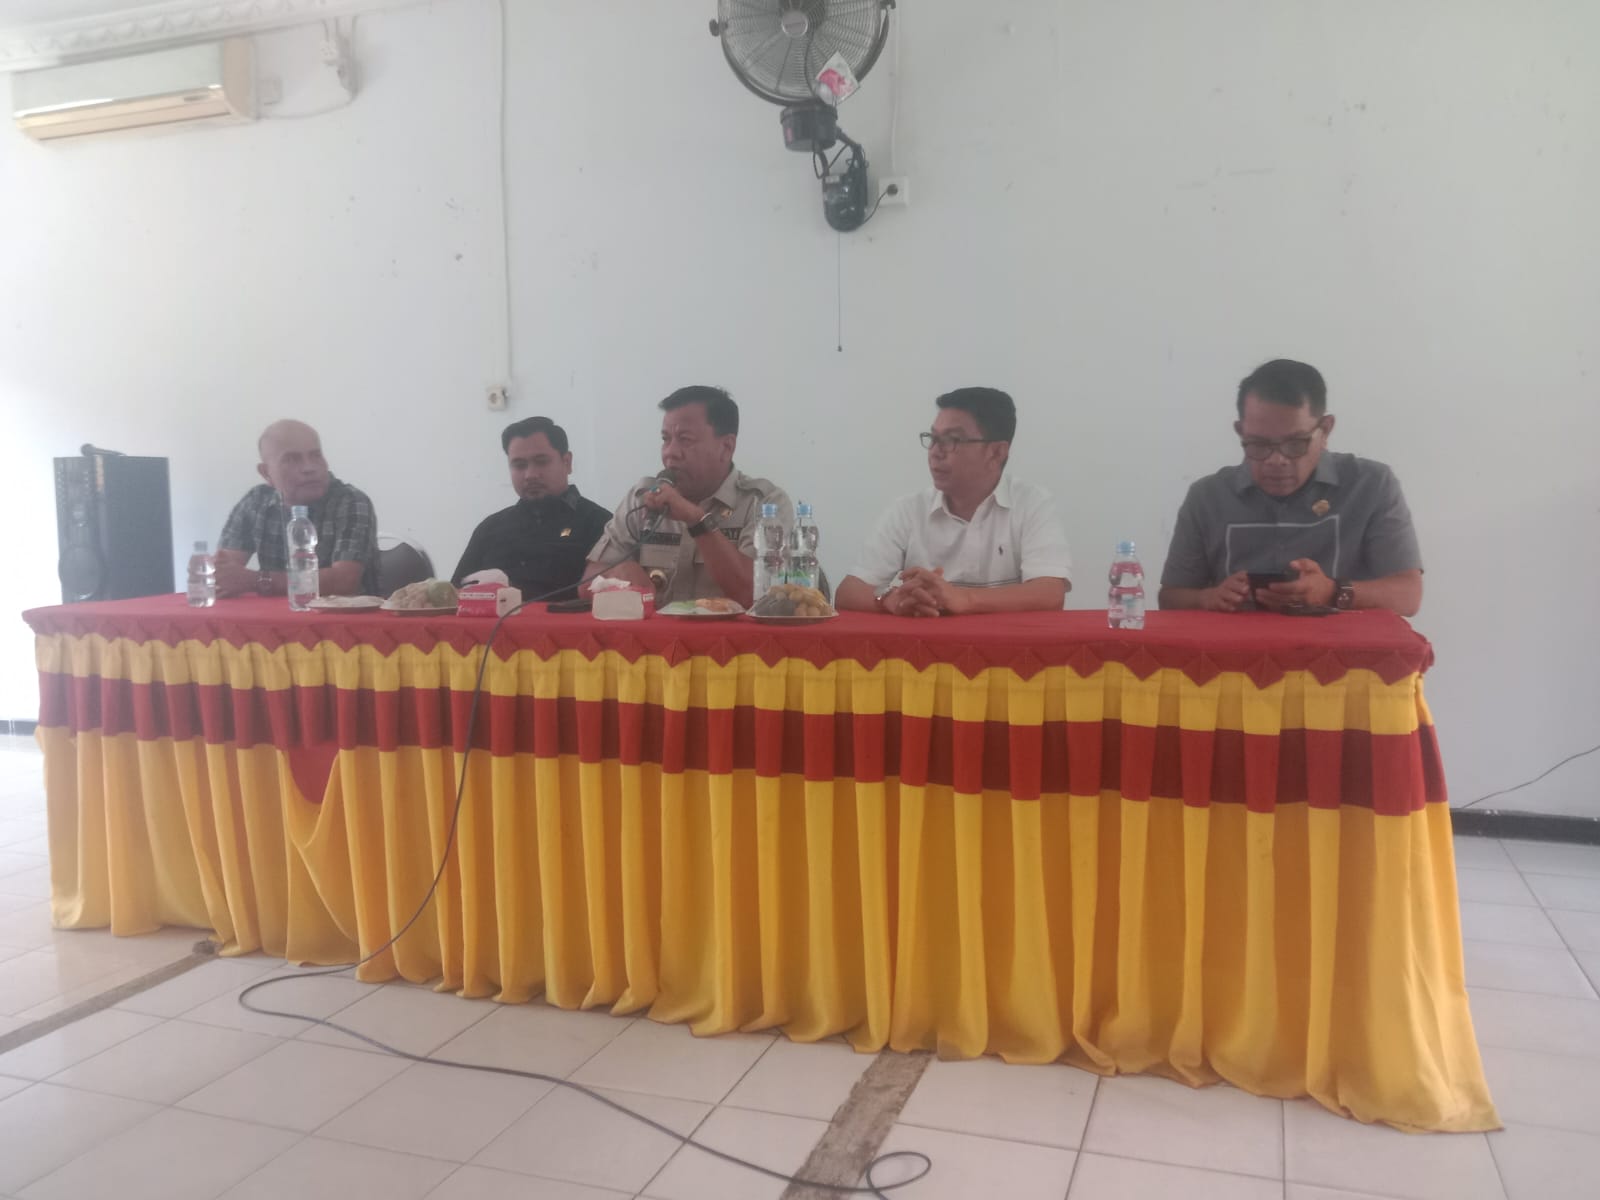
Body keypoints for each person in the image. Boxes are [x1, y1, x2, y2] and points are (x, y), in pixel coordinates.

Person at [1158, 359, 1423, 616]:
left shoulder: (1370, 485)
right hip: (1234, 646)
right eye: (1258, 445)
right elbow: (1170, 597)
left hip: (1341, 646)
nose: (1277, 460)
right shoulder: (1208, 497)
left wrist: (1332, 591)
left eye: (1295, 444)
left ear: (1325, 430)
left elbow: (1408, 595)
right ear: (1240, 431)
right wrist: (1207, 598)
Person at [835, 387, 1072, 617]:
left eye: (952, 440)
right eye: (933, 438)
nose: (935, 452)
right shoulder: (908, 510)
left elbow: (1050, 594)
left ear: (997, 452)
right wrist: (890, 600)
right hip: (925, 644)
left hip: (1005, 644)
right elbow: (848, 592)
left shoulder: (1031, 503)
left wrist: (963, 599)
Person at [582, 386, 792, 608]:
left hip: (728, 631)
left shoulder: (764, 503)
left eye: (685, 440)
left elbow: (756, 595)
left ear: (726, 447)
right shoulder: (642, 499)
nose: (670, 452)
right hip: (655, 630)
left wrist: (697, 522)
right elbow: (585, 584)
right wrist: (617, 572)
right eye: (666, 439)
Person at [452, 416, 610, 601]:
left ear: (567, 462)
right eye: (519, 465)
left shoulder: (601, 525)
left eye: (541, 462)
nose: (530, 475)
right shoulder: (490, 528)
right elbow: (453, 597)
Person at [215, 420, 378, 598]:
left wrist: (257, 580)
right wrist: (212, 573)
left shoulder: (350, 501)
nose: (309, 467)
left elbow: (344, 582)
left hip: (342, 614)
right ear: (266, 472)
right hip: (274, 613)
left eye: (315, 455)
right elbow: (224, 571)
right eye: (291, 459)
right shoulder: (256, 501)